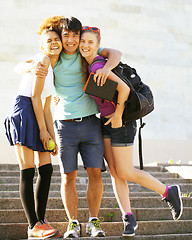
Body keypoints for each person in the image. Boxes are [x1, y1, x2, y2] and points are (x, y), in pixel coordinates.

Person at [20, 16, 122, 238]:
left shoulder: (84, 53)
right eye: (66, 35)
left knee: (95, 172)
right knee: (69, 175)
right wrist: (33, 64)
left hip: (91, 122)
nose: (72, 40)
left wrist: (107, 68)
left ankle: (93, 222)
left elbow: (116, 54)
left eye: (75, 35)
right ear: (61, 36)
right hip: (64, 126)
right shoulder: (52, 58)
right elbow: (22, 65)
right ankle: (73, 223)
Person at [79, 26, 183, 237]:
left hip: (122, 121)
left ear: (98, 45)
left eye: (91, 42)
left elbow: (124, 89)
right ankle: (128, 217)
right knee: (116, 174)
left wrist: (118, 115)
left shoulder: (99, 64)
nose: (85, 45)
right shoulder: (88, 64)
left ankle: (168, 191)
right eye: (83, 41)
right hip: (105, 121)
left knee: (125, 171)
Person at [4, 17, 63, 239]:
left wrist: (52, 135)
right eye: (49, 40)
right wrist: (43, 130)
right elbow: (35, 98)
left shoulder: (54, 69)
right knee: (28, 170)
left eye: (56, 39)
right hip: (24, 111)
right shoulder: (43, 59)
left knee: (46, 169)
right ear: (42, 45)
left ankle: (41, 220)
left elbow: (47, 108)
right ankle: (33, 225)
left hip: (38, 112)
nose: (54, 42)